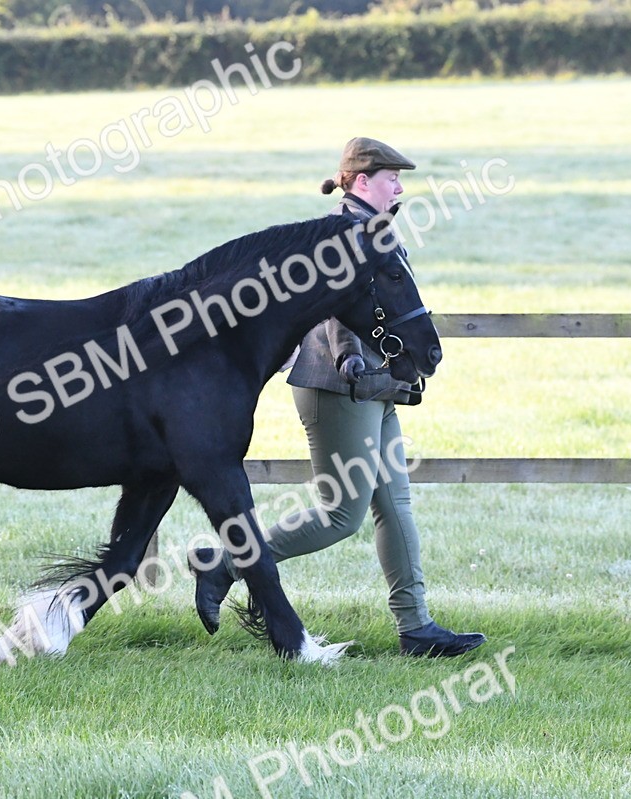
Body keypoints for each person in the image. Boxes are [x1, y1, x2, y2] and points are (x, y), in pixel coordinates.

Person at [190, 137, 485, 658]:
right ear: (362, 181)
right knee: (340, 515)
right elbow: (336, 307)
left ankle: (417, 628)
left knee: (395, 506)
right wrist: (350, 355)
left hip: (377, 385)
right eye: (392, 177)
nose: (400, 187)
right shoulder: (339, 237)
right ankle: (225, 564)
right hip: (339, 385)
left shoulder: (372, 229)